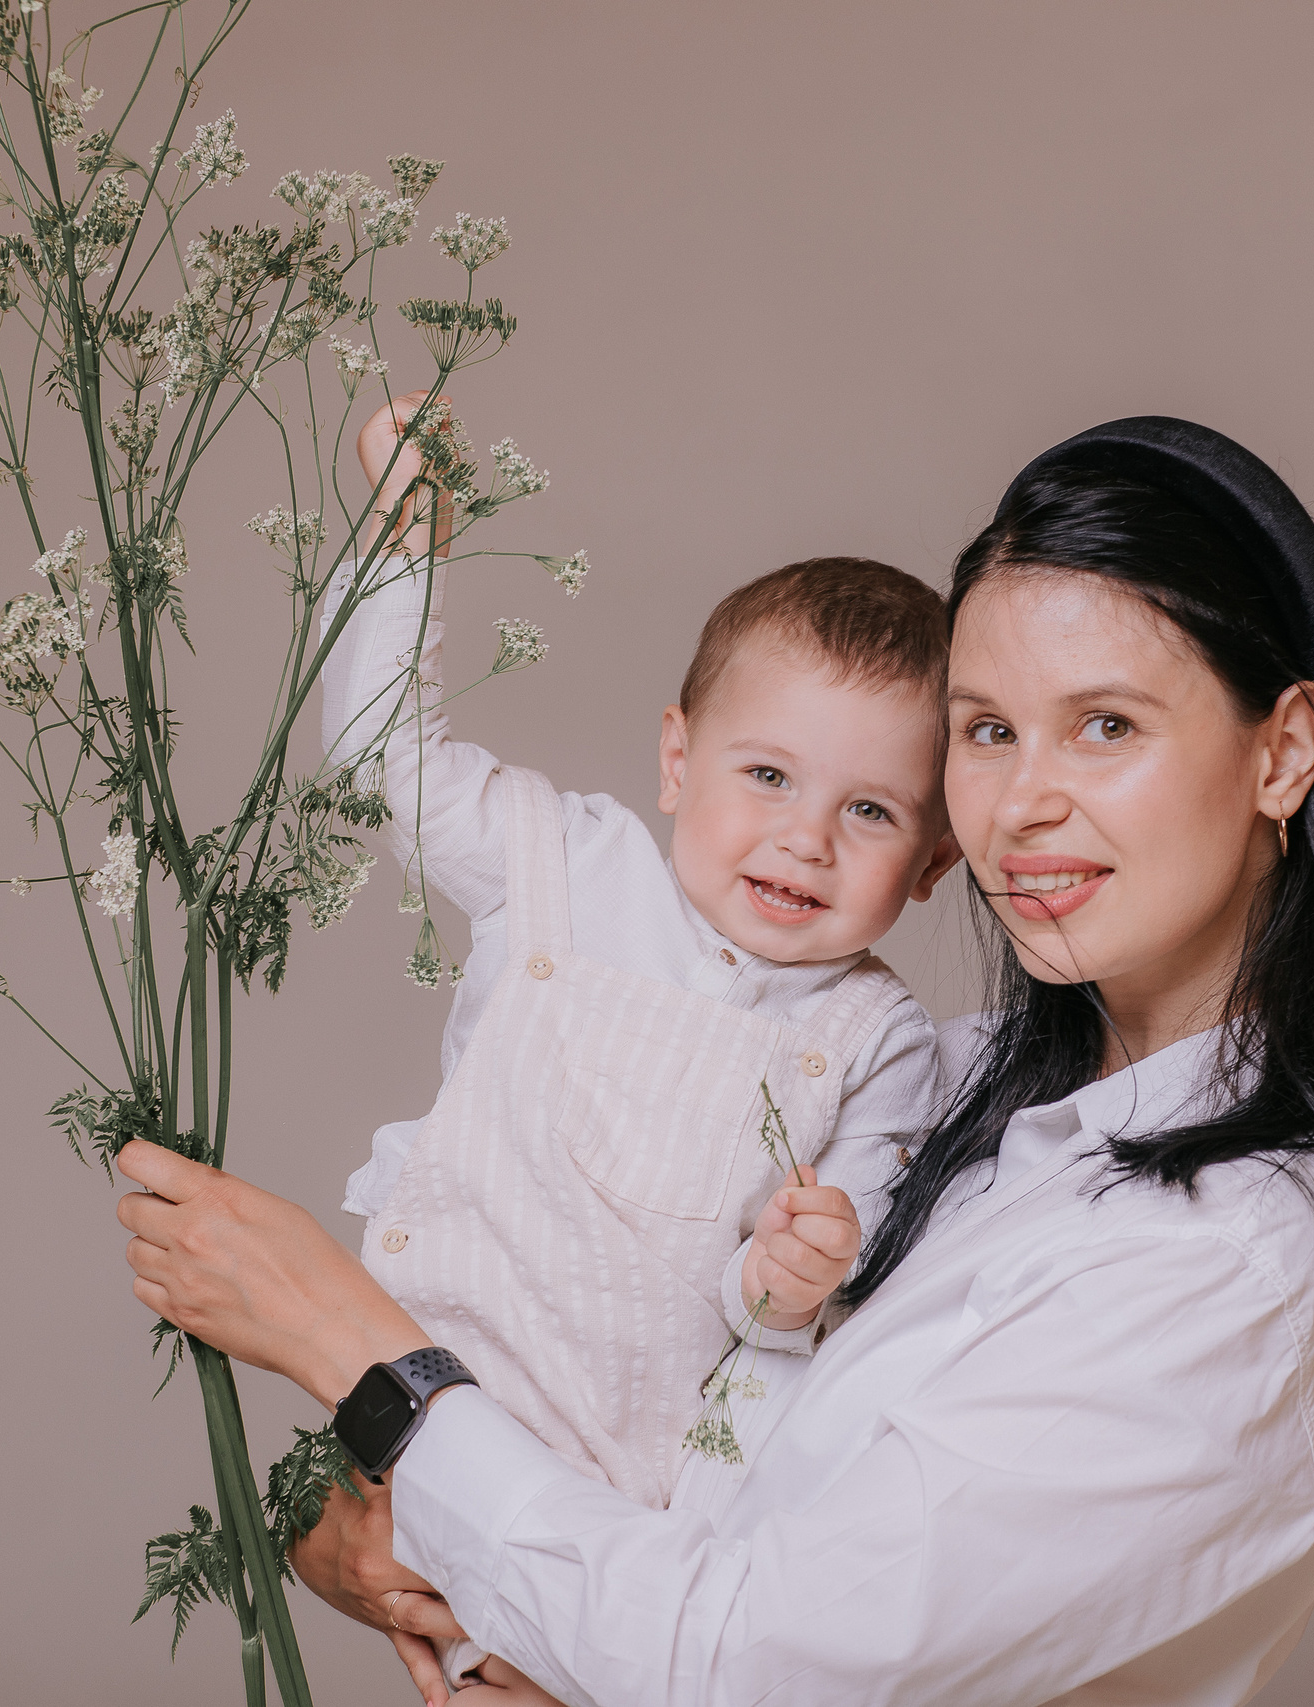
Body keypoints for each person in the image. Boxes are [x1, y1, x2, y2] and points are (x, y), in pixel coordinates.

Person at [119, 416, 1314, 1705]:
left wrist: (356, 1353)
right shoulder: (959, 1086)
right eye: (987, 731)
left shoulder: (1230, 1266)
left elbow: (742, 1668)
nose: (1023, 803)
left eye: (1106, 726)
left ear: (1283, 752)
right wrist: (366, 1539)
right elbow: (665, 1523)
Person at [314, 394, 965, 1686]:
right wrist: (401, 548)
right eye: (767, 775)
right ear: (677, 759)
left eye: (872, 812)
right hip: (431, 1414)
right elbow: (382, 760)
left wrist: (795, 1276)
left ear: (936, 861)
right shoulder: (563, 866)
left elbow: (794, 1318)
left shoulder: (879, 1038)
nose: (805, 839)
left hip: (640, 1509)